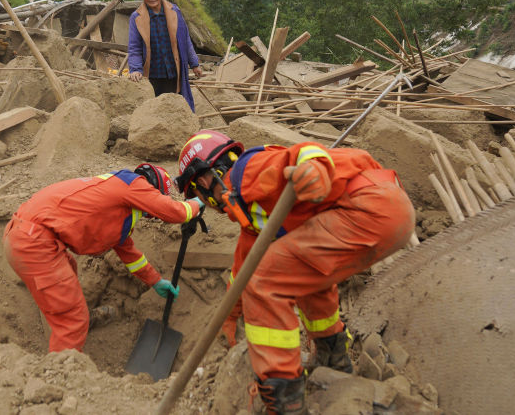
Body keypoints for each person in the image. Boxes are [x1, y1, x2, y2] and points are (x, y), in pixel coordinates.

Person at [175, 131, 415, 415]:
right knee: (303, 275)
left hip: (367, 207)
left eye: (196, 193)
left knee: (265, 282)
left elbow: (302, 153)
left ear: (203, 182)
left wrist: (314, 169)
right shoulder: (250, 209)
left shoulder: (246, 172)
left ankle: (284, 399)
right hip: (387, 209)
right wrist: (229, 315)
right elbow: (244, 265)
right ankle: (333, 357)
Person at [3, 163, 203, 352]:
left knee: (69, 270)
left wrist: (156, 281)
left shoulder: (114, 203)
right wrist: (199, 200)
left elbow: (130, 255)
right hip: (35, 241)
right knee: (72, 319)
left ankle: (79, 322)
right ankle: (60, 371)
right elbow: (178, 212)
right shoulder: (136, 184)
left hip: (22, 234)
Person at [127, 0, 203, 111]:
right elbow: (134, 47)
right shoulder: (136, 17)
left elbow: (185, 40)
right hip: (152, 73)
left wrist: (194, 64)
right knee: (153, 109)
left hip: (173, 70)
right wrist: (135, 69)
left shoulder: (174, 11)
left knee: (174, 108)